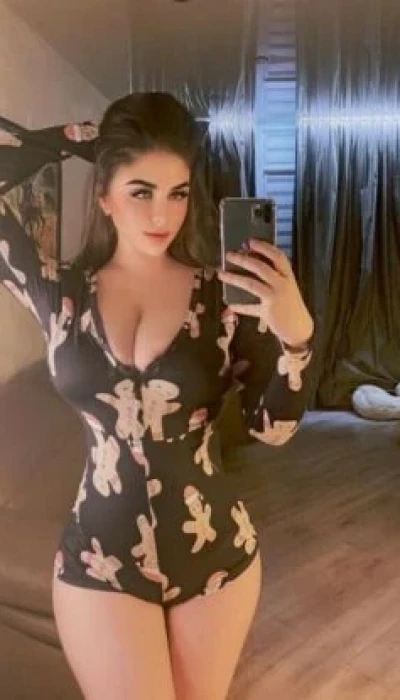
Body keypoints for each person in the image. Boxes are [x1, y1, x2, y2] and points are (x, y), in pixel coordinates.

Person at [0, 92, 314, 700]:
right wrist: (78, 138)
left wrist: (296, 339)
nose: (161, 214)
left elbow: (272, 429)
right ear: (104, 195)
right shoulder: (59, 291)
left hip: (216, 555)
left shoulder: (225, 298)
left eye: (177, 192)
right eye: (140, 191)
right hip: (101, 560)